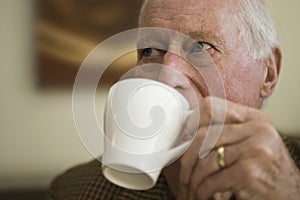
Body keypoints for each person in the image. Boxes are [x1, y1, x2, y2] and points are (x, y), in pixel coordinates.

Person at [47, 0, 300, 199]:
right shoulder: (74, 191)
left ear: (268, 72)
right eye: (150, 51)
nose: (167, 77)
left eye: (200, 46)